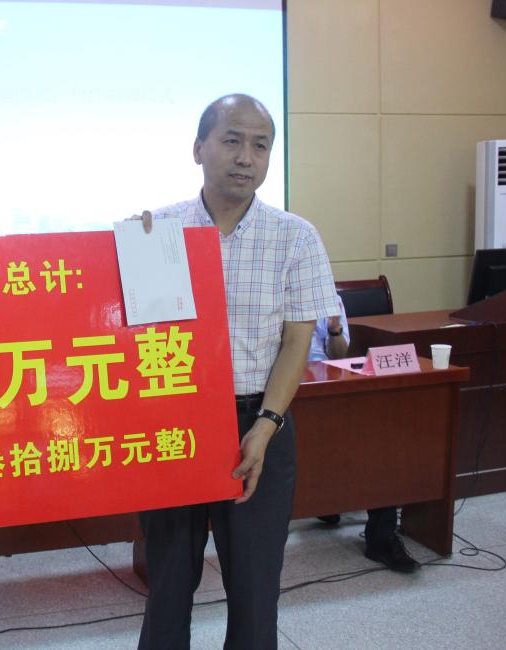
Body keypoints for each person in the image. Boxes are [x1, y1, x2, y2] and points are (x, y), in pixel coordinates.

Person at [135, 94, 341, 649]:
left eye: (260, 145)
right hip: (174, 425)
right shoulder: (156, 231)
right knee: (167, 584)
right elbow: (128, 336)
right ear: (198, 148)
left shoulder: (295, 236)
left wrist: (266, 425)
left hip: (259, 421)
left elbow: (297, 341)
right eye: (232, 140)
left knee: (254, 589)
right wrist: (122, 258)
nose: (246, 157)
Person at [310, 303, 420, 573]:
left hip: (329, 385)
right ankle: (324, 500)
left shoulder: (329, 296)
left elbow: (339, 354)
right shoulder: (270, 293)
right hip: (284, 389)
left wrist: (334, 329)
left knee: (377, 436)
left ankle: (381, 538)